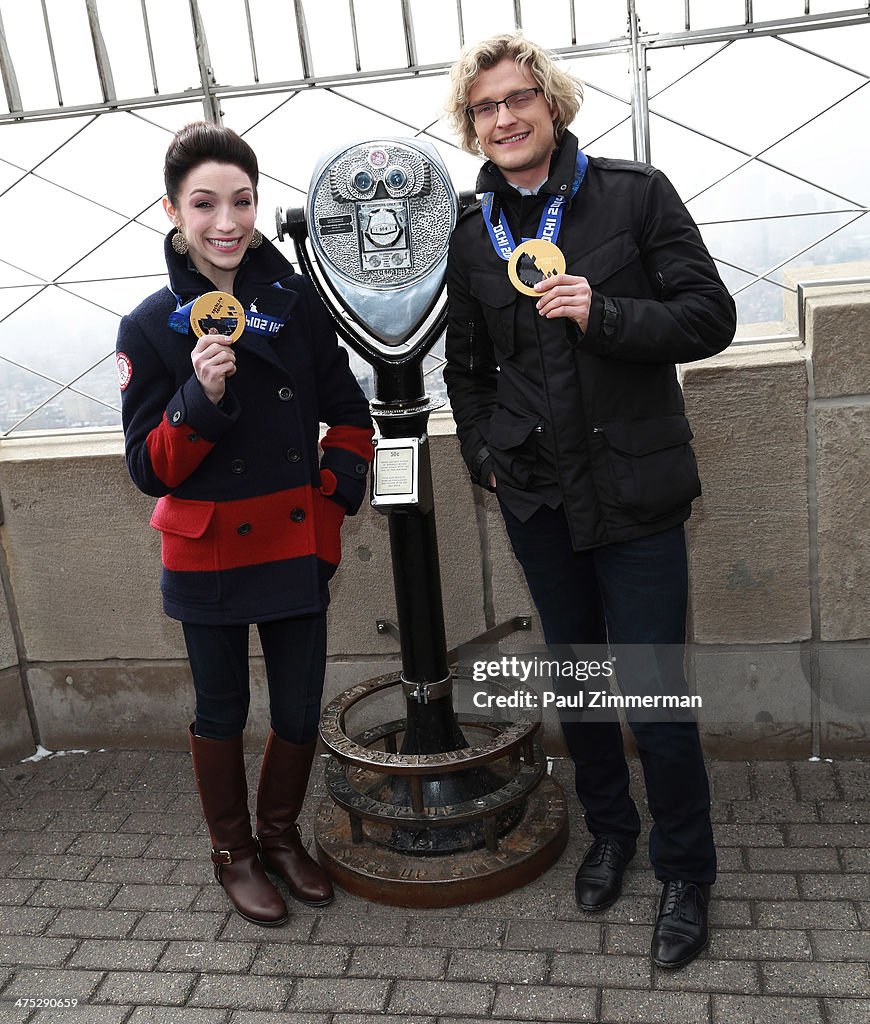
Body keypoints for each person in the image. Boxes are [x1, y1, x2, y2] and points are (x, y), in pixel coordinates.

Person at [443, 34, 736, 968]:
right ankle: (612, 832)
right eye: (486, 106)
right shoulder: (468, 229)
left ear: (554, 103)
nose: (505, 117)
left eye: (520, 97)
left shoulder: (634, 194)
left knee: (653, 699)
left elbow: (710, 317)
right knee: (580, 688)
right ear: (472, 124)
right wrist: (490, 458)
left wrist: (601, 313)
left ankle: (686, 869)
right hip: (537, 499)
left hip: (636, 495)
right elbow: (466, 370)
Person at [117, 122, 374, 927]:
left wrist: (330, 503)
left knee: (299, 710)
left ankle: (281, 833)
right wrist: (203, 399)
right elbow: (147, 469)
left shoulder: (296, 306)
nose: (225, 221)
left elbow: (350, 418)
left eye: (241, 201)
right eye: (204, 204)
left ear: (258, 207)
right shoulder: (151, 324)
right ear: (172, 209)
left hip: (295, 543)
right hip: (209, 558)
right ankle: (233, 852)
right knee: (221, 711)